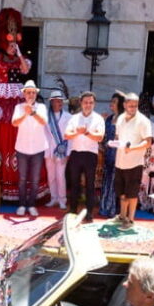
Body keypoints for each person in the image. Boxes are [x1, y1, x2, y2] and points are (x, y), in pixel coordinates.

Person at [0, 8, 36, 201]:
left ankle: (18, 184)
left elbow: (25, 70)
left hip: (16, 101)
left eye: (14, 44)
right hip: (1, 102)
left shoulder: (21, 61)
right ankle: (0, 182)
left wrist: (20, 53)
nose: (11, 47)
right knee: (2, 137)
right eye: (9, 44)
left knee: (17, 136)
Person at [110, 92, 152, 231]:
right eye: (130, 105)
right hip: (120, 161)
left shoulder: (143, 121)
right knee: (121, 192)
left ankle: (130, 219)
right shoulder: (120, 118)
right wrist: (114, 143)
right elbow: (118, 136)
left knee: (132, 193)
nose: (133, 108)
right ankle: (122, 216)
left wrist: (132, 148)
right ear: (124, 105)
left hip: (135, 163)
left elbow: (148, 142)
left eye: (135, 105)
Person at [64, 91, 105, 222]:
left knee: (90, 185)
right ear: (81, 103)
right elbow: (67, 135)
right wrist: (77, 132)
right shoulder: (74, 118)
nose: (88, 105)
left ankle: (89, 213)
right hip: (76, 153)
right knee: (74, 183)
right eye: (86, 102)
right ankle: (72, 211)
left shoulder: (98, 118)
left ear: (94, 104)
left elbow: (100, 137)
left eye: (91, 102)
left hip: (90, 154)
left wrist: (86, 132)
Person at [11, 80, 48, 217]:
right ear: (24, 94)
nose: (31, 95)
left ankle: (31, 204)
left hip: (38, 148)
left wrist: (32, 113)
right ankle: (22, 204)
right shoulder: (18, 107)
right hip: (22, 148)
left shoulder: (41, 107)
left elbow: (44, 122)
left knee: (35, 179)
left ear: (36, 94)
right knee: (22, 178)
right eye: (28, 92)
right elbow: (14, 123)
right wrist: (25, 113)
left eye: (33, 92)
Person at [42, 90, 71, 210]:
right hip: (49, 151)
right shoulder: (46, 117)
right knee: (51, 176)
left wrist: (68, 153)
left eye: (60, 101)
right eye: (56, 101)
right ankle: (53, 198)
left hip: (62, 151)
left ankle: (62, 199)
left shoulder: (68, 117)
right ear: (52, 102)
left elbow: (70, 136)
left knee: (60, 176)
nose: (59, 103)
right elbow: (43, 134)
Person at [98, 93, 124, 218]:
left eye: (114, 101)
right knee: (106, 181)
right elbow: (104, 136)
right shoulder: (108, 119)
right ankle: (104, 208)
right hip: (108, 154)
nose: (111, 103)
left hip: (119, 155)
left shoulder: (124, 119)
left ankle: (113, 209)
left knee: (115, 182)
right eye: (112, 101)